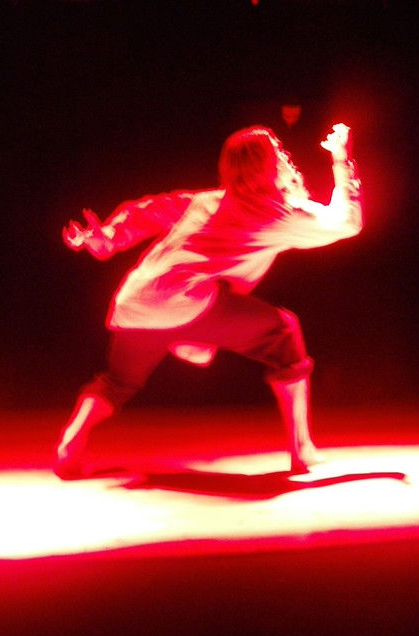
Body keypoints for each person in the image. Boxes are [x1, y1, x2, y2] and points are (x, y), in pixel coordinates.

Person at [54, 123, 362, 480]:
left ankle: (73, 437)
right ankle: (302, 449)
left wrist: (106, 236)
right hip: (185, 302)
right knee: (283, 332)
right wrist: (341, 160)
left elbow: (149, 211)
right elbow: (347, 222)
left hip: (134, 300)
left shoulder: (205, 201)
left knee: (117, 381)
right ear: (270, 167)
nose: (286, 156)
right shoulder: (280, 213)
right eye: (279, 153)